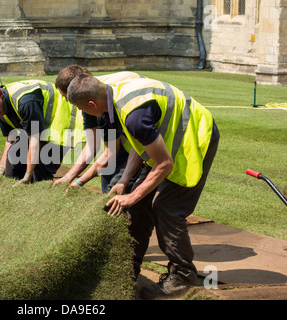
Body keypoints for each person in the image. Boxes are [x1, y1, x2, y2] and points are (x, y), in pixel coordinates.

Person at [66, 73, 220, 299]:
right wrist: (124, 182)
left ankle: (183, 277)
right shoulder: (113, 99)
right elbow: (141, 147)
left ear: (92, 104)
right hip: (166, 142)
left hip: (194, 137)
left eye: (83, 110)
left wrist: (131, 195)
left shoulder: (132, 114)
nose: (84, 114)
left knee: (166, 207)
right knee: (137, 205)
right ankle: (127, 270)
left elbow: (165, 163)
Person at [53, 65, 146, 193]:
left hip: (141, 126)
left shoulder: (99, 101)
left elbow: (110, 153)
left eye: (66, 97)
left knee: (120, 185)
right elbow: (93, 145)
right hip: (128, 127)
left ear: (76, 90)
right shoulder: (89, 95)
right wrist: (68, 177)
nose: (67, 101)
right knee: (109, 177)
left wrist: (80, 181)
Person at [0, 80, 82, 186]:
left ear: (0, 93)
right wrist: (1, 168)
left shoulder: (26, 101)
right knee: (14, 154)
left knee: (42, 164)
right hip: (41, 126)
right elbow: (10, 139)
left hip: (62, 124)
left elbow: (34, 141)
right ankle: (11, 193)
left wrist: (27, 175)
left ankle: (40, 196)